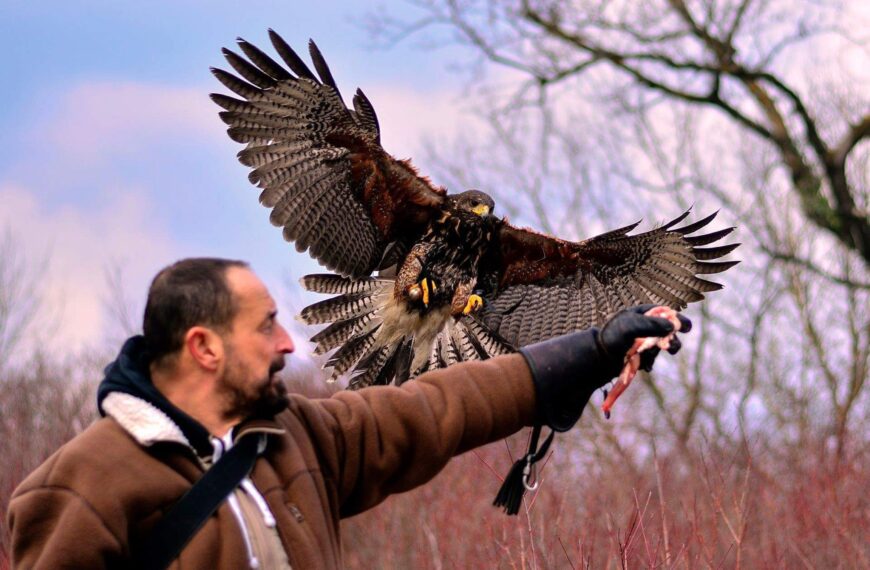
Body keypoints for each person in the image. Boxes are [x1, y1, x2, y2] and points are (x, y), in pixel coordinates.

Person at [6, 257, 689, 569]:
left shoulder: (290, 437)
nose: (286, 343)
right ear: (203, 347)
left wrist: (593, 352)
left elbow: (435, 409)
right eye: (265, 327)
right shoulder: (83, 486)